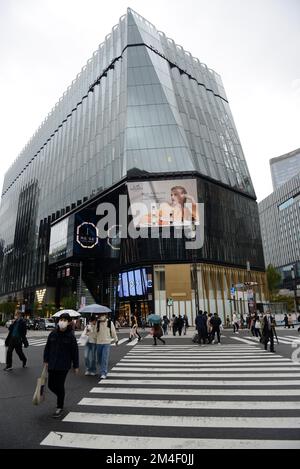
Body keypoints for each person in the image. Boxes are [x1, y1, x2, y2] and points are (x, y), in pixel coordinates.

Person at [43, 313, 79, 418]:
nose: (62, 321)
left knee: (59, 385)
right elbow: (47, 347)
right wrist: (45, 359)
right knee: (51, 385)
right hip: (52, 363)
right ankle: (61, 396)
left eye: (65, 320)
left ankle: (60, 406)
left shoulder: (70, 336)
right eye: (61, 319)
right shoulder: (53, 333)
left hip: (63, 365)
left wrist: (76, 366)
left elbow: (74, 352)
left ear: (68, 322)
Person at [95, 312, 118, 379]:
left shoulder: (110, 323)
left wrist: (116, 340)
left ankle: (103, 373)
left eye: (103, 315)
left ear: (106, 315)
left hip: (106, 343)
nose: (101, 316)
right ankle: (102, 368)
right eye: (100, 315)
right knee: (99, 359)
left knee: (104, 358)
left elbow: (113, 332)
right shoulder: (97, 323)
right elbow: (95, 333)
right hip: (98, 342)